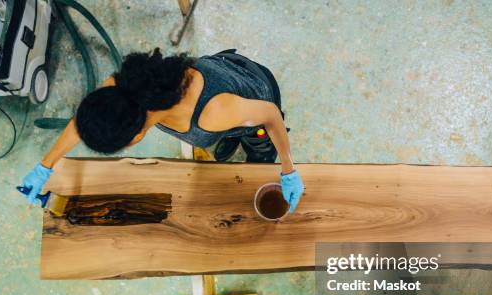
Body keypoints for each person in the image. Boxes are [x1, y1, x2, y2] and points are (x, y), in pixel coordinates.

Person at [21, 48, 304, 212]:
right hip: (225, 76)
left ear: (137, 138)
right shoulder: (123, 89)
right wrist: (45, 165)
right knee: (225, 136)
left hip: (255, 94)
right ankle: (233, 138)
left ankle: (256, 151)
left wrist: (289, 170)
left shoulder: (215, 114)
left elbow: (270, 115)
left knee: (258, 142)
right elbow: (89, 119)